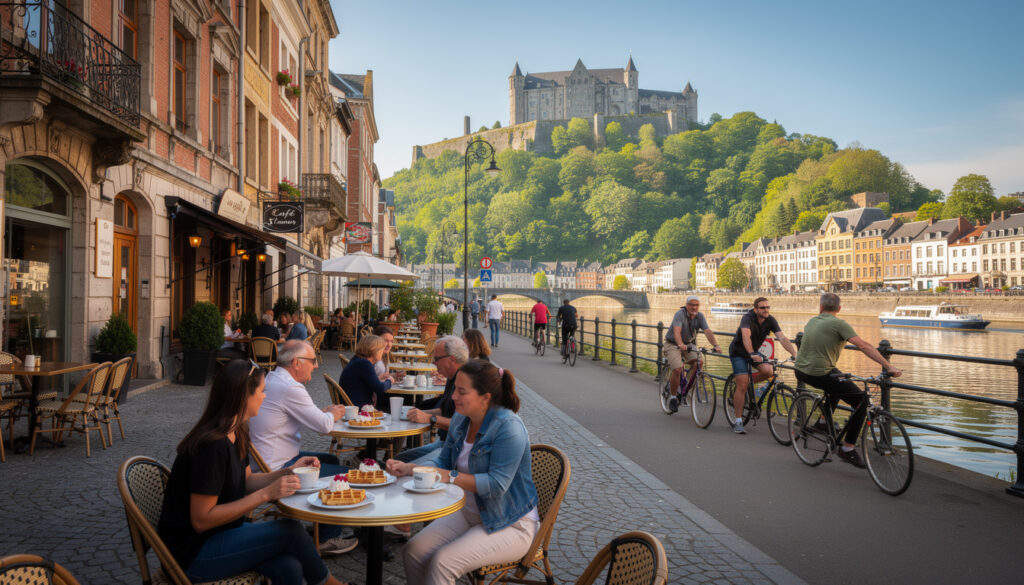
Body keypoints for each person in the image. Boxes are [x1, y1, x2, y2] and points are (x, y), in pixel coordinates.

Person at [157, 360, 350, 585]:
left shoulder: (237, 430)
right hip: (193, 554)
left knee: (290, 566)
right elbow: (201, 520)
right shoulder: (212, 446)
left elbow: (246, 480)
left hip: (224, 534)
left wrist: (288, 471)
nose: (265, 396)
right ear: (243, 397)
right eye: (261, 391)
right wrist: (266, 495)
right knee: (290, 530)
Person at [388, 360, 540, 585]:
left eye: (462, 391)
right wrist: (411, 469)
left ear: (485, 397)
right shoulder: (461, 419)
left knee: (443, 562)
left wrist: (449, 476)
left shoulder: (509, 427)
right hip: (470, 512)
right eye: (455, 389)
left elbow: (497, 485)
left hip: (510, 522)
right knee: (414, 550)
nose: (453, 397)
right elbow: (444, 461)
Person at [248, 340, 357, 555]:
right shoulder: (290, 387)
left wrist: (324, 414)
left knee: (331, 461)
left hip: (262, 460)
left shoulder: (274, 378)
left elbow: (313, 417)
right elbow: (324, 426)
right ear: (296, 363)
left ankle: (321, 523)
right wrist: (332, 414)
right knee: (346, 476)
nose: (316, 365)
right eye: (313, 360)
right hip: (275, 468)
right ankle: (327, 539)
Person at [794, 293, 902, 467]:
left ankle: (823, 421)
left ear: (820, 307)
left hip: (800, 370)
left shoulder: (812, 321)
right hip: (819, 373)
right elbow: (863, 345)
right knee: (861, 401)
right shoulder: (839, 324)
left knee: (839, 379)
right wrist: (888, 366)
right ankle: (848, 448)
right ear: (839, 309)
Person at [727, 297, 799, 435]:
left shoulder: (770, 320)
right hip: (739, 352)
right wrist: (752, 353)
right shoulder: (747, 318)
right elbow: (746, 337)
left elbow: (782, 338)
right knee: (742, 384)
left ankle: (747, 384)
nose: (766, 310)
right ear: (755, 309)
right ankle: (738, 421)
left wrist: (794, 354)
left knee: (768, 371)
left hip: (755, 352)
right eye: (762, 308)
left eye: (768, 307)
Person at [398, 336, 470, 463]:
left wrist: (429, 418)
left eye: (436, 359)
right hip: (444, 442)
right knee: (399, 459)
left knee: (405, 466)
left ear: (452, 359)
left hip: (455, 447)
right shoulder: (452, 376)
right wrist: (419, 412)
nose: (433, 362)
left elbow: (463, 425)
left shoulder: (466, 380)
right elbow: (445, 410)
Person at [663, 296, 721, 414]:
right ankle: (673, 397)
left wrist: (716, 345)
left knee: (699, 362)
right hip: (673, 343)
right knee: (678, 369)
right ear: (686, 305)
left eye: (696, 305)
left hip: (688, 344)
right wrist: (680, 344)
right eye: (691, 304)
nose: (694, 307)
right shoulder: (680, 314)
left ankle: (684, 387)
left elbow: (707, 331)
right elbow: (676, 331)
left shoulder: (700, 316)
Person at [339, 334, 394, 409]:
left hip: (352, 405)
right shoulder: (364, 364)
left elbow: (371, 383)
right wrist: (389, 381)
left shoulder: (358, 360)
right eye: (381, 349)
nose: (382, 352)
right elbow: (379, 388)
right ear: (374, 350)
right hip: (357, 409)